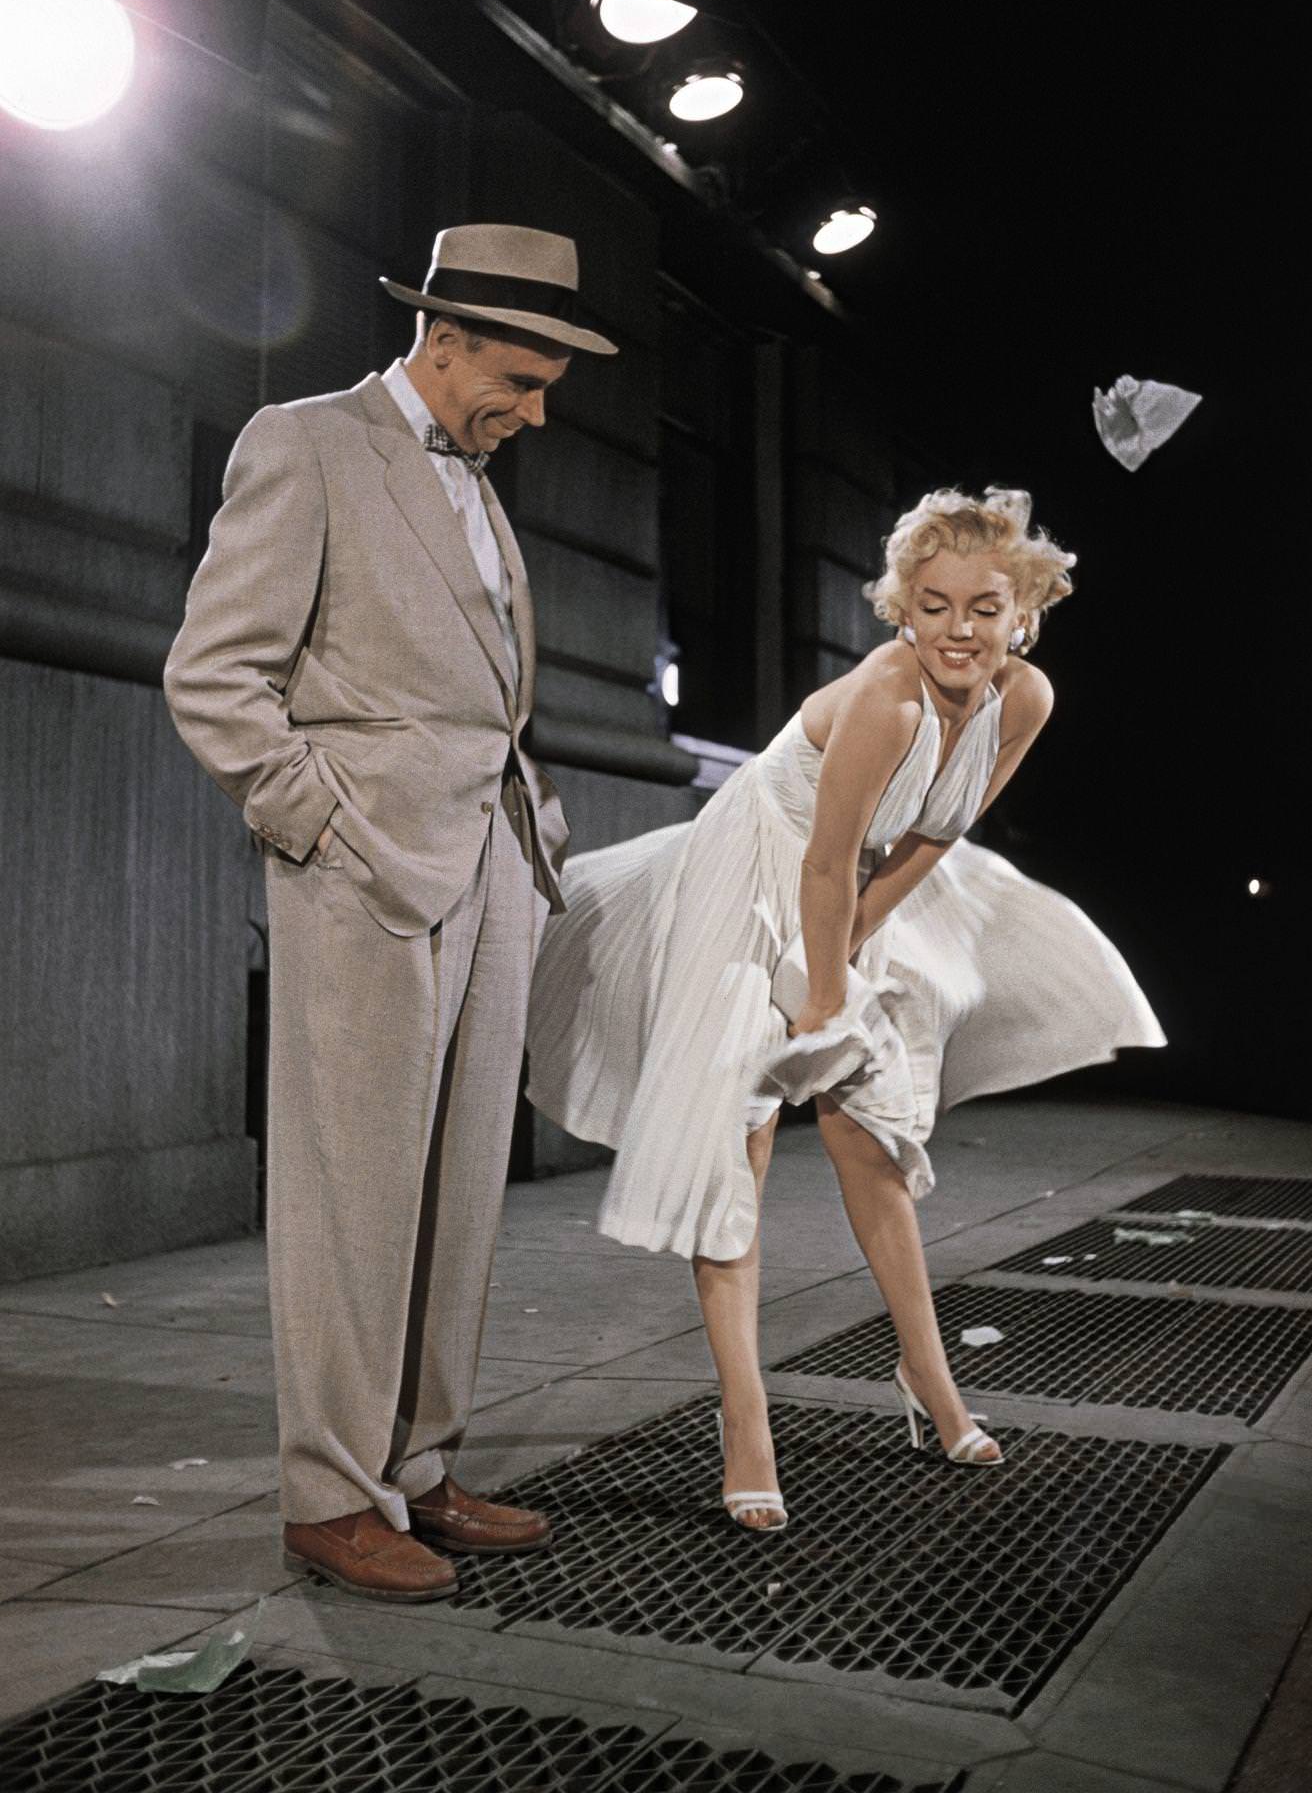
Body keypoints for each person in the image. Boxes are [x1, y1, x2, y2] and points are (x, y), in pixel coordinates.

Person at [526, 487, 1164, 1530]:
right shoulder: (889, 699)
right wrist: (821, 1004)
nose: (957, 628)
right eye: (932, 604)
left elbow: (934, 834)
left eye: (981, 606)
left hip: (851, 883)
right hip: (756, 872)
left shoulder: (1026, 699)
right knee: (741, 1140)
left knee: (869, 1136)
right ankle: (745, 1423)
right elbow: (816, 862)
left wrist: (859, 952)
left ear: (1022, 616)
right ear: (900, 610)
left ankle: (929, 1380)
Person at [164, 223, 617, 1598]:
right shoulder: (303, 444)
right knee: (351, 1196)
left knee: (458, 1191)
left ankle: (415, 1471)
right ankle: (328, 1496)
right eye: (523, 378)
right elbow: (215, 678)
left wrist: (525, 818)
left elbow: (475, 683)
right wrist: (325, 828)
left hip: (486, 869)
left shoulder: (479, 481)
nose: (536, 412)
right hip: (364, 876)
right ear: (448, 335)